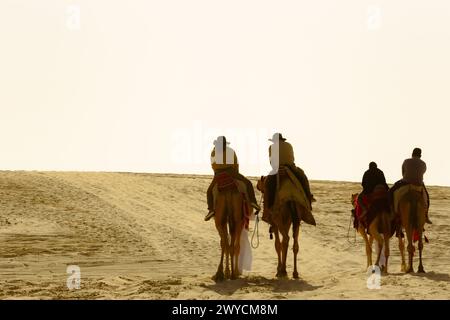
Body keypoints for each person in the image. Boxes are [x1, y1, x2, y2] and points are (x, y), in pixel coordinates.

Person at [204, 136, 261, 221]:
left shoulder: (214, 152)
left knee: (209, 191)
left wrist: (217, 173)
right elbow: (235, 164)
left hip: (218, 174)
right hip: (231, 172)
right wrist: (236, 173)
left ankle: (211, 210)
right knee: (248, 183)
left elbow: (213, 165)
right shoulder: (230, 151)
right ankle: (253, 202)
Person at [264, 133, 313, 218]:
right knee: (303, 177)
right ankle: (309, 199)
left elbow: (271, 161)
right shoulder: (288, 145)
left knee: (268, 183)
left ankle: (269, 207)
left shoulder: (271, 147)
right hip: (291, 167)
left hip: (277, 169)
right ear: (282, 139)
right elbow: (292, 158)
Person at [389, 147, 432, 224]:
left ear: (412, 154)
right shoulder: (423, 163)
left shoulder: (406, 161)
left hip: (406, 182)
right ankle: (426, 216)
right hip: (419, 184)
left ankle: (393, 212)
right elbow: (423, 172)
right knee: (427, 198)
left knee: (391, 192)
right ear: (420, 155)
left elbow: (403, 173)